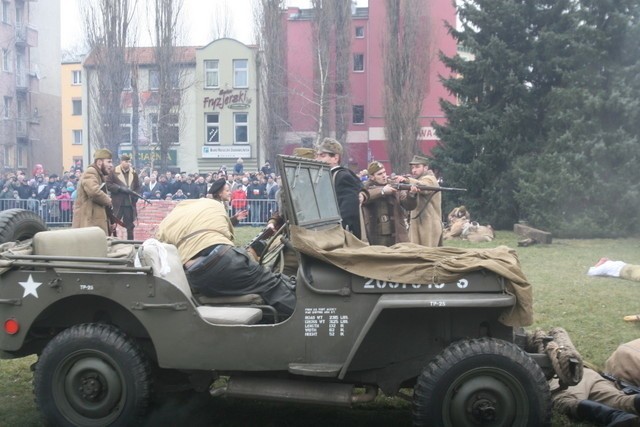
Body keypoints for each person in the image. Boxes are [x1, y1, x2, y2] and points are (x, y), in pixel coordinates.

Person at [155, 178, 296, 318]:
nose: (230, 193)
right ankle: (304, 319)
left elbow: (159, 243)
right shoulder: (215, 206)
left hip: (196, 275)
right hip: (222, 259)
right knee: (271, 283)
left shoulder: (173, 218)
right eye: (228, 191)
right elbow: (228, 239)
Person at [316, 138, 366, 239]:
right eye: (317, 155)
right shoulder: (327, 176)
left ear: (335, 158)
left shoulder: (342, 177)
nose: (317, 159)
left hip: (339, 238)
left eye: (322, 155)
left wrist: (333, 233)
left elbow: (348, 212)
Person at [362, 161, 417, 246]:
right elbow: (366, 196)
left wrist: (411, 194)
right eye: (379, 174)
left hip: (398, 234)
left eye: (384, 172)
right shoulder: (366, 188)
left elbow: (408, 205)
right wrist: (383, 191)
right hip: (377, 236)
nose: (384, 175)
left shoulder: (393, 185)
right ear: (372, 177)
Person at [72, 148, 114, 235]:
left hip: (92, 224)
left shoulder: (98, 174)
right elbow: (94, 192)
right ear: (99, 162)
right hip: (88, 224)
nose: (111, 165)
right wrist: (108, 200)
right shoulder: (91, 172)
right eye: (108, 162)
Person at [407, 155, 443, 247]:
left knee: (427, 256)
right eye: (413, 167)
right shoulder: (417, 180)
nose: (414, 170)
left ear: (426, 168)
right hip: (420, 224)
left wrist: (406, 181)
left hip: (428, 226)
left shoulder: (430, 179)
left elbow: (424, 186)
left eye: (417, 167)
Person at [106, 154, 141, 240]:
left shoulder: (134, 173)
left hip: (129, 204)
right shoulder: (113, 172)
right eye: (126, 161)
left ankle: (131, 244)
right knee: (112, 224)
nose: (128, 163)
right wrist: (120, 188)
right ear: (121, 162)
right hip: (117, 203)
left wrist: (135, 196)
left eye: (129, 161)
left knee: (130, 226)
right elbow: (109, 185)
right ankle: (109, 241)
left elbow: (137, 187)